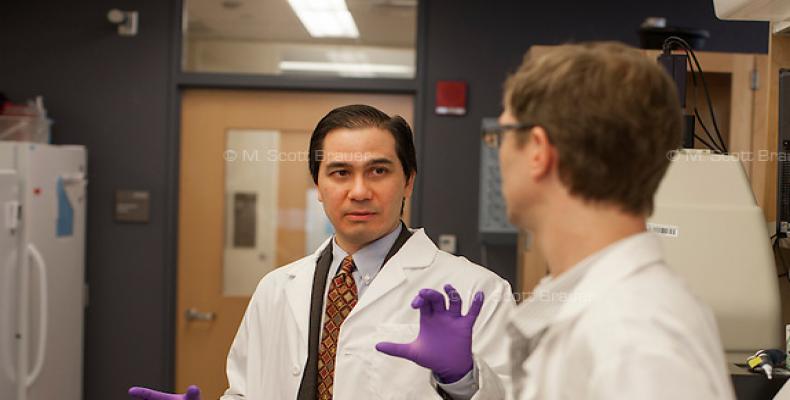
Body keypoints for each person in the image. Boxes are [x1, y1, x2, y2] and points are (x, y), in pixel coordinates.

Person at [376, 42, 736, 399]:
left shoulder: (636, 335)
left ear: (537, 151)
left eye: (501, 135)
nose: (497, 153)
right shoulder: (590, 303)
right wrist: (462, 379)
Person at [129, 104, 515, 400]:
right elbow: (246, 391)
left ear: (408, 181)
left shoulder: (474, 291)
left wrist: (463, 379)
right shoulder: (276, 289)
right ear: (318, 184)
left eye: (378, 171)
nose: (359, 191)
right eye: (340, 173)